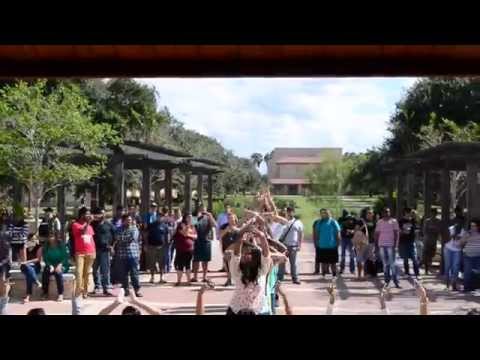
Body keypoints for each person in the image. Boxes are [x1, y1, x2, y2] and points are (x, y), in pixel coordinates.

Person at [227, 219, 272, 315]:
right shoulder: (237, 272)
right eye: (244, 253)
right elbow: (236, 255)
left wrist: (262, 236)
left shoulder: (262, 271)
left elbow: (266, 255)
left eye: (247, 253)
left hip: (258, 311)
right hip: (237, 311)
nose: (243, 255)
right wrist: (242, 234)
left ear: (255, 259)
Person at [114, 214, 142, 297]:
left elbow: (132, 238)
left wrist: (123, 239)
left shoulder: (134, 229)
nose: (129, 221)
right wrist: (123, 238)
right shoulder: (118, 229)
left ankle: (137, 290)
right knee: (123, 274)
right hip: (122, 255)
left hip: (133, 255)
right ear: (123, 221)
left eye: (130, 220)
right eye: (127, 220)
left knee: (134, 274)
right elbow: (118, 238)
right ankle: (125, 290)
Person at [71, 207, 96, 298]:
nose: (89, 216)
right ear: (82, 215)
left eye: (89, 214)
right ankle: (78, 291)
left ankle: (85, 291)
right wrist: (88, 223)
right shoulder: (75, 224)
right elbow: (82, 232)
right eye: (87, 214)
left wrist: (94, 251)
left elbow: (91, 238)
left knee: (87, 273)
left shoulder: (90, 226)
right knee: (79, 272)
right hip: (80, 253)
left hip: (91, 252)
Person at [90, 208, 115, 296]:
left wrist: (112, 247)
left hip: (105, 250)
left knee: (105, 270)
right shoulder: (92, 224)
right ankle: (97, 286)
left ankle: (106, 288)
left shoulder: (109, 224)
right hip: (94, 250)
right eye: (100, 214)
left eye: (103, 214)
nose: (101, 215)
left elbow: (115, 236)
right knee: (95, 270)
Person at [375, 208, 400, 288]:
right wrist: (376, 245)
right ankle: (386, 281)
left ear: (390, 213)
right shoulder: (379, 222)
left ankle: (396, 281)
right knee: (385, 264)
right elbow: (377, 233)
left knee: (392, 264)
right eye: (384, 212)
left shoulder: (394, 221)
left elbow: (396, 233)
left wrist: (396, 245)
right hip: (381, 244)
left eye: (387, 212)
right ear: (382, 213)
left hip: (391, 245)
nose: (386, 213)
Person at [277, 207, 303, 285]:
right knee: (281, 263)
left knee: (293, 263)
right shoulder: (282, 221)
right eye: (287, 212)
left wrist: (299, 244)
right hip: (283, 245)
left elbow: (301, 234)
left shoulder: (298, 222)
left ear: (293, 212)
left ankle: (295, 278)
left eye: (290, 212)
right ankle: (280, 278)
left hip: (293, 245)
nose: (289, 213)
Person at [191, 205, 217, 283]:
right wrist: (196, 217)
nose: (203, 210)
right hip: (197, 241)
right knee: (196, 260)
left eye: (204, 209)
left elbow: (215, 225)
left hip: (206, 241)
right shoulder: (195, 217)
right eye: (201, 209)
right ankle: (195, 277)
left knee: (205, 260)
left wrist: (210, 216)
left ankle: (204, 276)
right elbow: (192, 227)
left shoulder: (208, 217)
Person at [313, 208, 341, 278]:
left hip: (332, 246)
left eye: (326, 213)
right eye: (323, 213)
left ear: (329, 213)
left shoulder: (333, 222)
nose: (324, 214)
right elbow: (316, 233)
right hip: (322, 245)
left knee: (333, 262)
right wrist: (316, 242)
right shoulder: (319, 222)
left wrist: (338, 243)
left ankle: (334, 275)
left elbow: (338, 233)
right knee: (323, 262)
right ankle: (323, 275)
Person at [41, 234, 70, 302]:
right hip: (51, 265)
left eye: (52, 236)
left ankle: (60, 294)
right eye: (49, 237)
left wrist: (59, 265)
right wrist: (50, 265)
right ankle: (45, 293)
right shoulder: (46, 247)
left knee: (58, 273)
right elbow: (45, 258)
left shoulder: (61, 246)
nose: (51, 238)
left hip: (61, 264)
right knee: (45, 272)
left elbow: (65, 257)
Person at [146, 209, 171, 284]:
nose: (160, 218)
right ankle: (152, 277)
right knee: (152, 262)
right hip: (152, 246)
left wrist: (168, 244)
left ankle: (161, 277)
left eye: (161, 216)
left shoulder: (165, 226)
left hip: (162, 247)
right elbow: (146, 235)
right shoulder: (151, 225)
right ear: (156, 217)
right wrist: (146, 244)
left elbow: (167, 236)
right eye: (158, 216)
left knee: (162, 263)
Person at [173, 213, 197, 286]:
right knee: (180, 265)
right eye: (188, 217)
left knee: (188, 265)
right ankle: (179, 281)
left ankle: (188, 281)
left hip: (189, 249)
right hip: (180, 248)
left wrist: (189, 234)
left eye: (191, 217)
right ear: (185, 217)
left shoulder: (192, 226)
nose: (190, 219)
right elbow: (183, 233)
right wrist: (188, 229)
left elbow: (196, 236)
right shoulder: (181, 225)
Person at [398, 208, 420, 279]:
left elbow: (417, 227)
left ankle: (417, 273)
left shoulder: (413, 220)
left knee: (414, 258)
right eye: (409, 212)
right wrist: (403, 231)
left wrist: (415, 215)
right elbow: (399, 231)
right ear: (405, 213)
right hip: (403, 242)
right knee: (405, 258)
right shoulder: (400, 221)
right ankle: (407, 272)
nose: (410, 214)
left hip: (411, 241)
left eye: (410, 213)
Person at [20, 234, 42, 303]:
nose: (34, 240)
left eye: (35, 239)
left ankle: (28, 296)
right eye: (32, 239)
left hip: (36, 266)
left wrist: (27, 262)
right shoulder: (24, 247)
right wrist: (24, 248)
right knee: (28, 269)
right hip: (25, 266)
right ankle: (36, 281)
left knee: (29, 273)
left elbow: (38, 259)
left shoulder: (39, 247)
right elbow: (23, 260)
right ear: (28, 240)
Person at [460, 219, 480, 292]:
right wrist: (465, 236)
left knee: (477, 272)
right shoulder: (467, 233)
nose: (472, 227)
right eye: (471, 226)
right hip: (468, 256)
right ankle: (466, 287)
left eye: (474, 226)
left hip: (478, 256)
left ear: (478, 226)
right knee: (467, 272)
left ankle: (475, 287)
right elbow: (461, 243)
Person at [220, 213, 240, 286]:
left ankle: (234, 280)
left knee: (235, 265)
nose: (230, 220)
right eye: (229, 218)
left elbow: (240, 237)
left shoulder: (238, 226)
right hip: (226, 248)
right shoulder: (224, 226)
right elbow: (220, 236)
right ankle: (229, 279)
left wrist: (235, 229)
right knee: (227, 265)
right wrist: (226, 230)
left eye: (232, 218)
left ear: (235, 219)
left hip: (235, 249)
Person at [444, 223, 463, 291]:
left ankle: (454, 284)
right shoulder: (451, 228)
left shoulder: (464, 231)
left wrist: (458, 237)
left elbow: (463, 242)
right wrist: (453, 234)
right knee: (447, 266)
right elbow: (446, 238)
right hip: (448, 249)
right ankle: (447, 284)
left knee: (456, 267)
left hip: (457, 250)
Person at [423, 208, 442, 275]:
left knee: (431, 255)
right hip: (427, 241)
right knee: (426, 256)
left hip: (433, 241)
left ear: (436, 214)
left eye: (434, 214)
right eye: (432, 213)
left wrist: (433, 230)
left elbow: (439, 230)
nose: (433, 215)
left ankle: (429, 267)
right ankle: (426, 270)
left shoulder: (438, 221)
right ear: (430, 214)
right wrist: (433, 230)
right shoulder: (427, 221)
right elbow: (425, 231)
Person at [338, 210, 356, 274]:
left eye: (350, 218)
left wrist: (352, 231)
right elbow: (340, 228)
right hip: (344, 238)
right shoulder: (342, 222)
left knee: (351, 254)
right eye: (348, 218)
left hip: (351, 239)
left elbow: (356, 229)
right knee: (343, 254)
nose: (349, 220)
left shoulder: (354, 221)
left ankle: (352, 269)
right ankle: (342, 269)